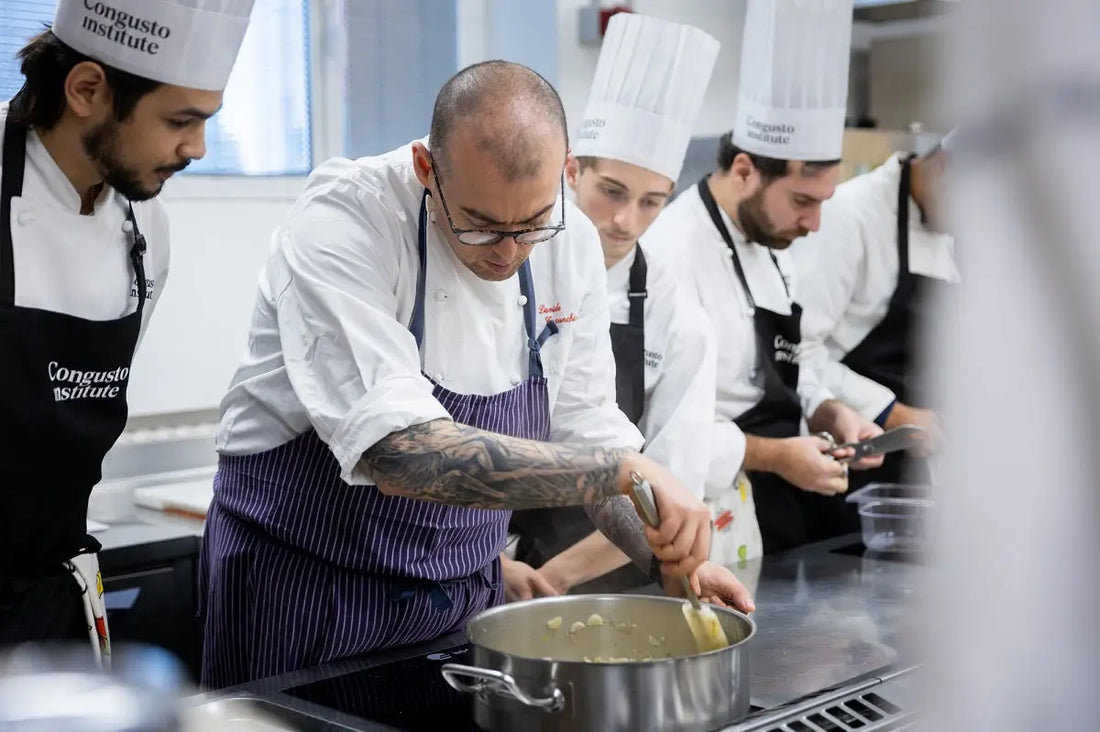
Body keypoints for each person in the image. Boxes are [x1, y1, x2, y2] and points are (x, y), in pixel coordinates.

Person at [201, 60, 750, 689]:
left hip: (462, 603)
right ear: (426, 170)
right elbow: (401, 455)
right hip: (304, 594)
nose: (510, 251)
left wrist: (665, 558)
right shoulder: (347, 220)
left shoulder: (569, 239)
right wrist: (619, 469)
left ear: (565, 173)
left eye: (532, 224)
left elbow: (586, 429)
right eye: (481, 225)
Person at [0, 0, 254, 664]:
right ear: (87, 90)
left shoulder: (145, 231)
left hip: (50, 596)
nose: (196, 148)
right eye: (180, 120)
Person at [645, 0, 883, 559]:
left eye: (822, 202)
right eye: (802, 201)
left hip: (777, 507)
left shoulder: (776, 242)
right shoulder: (670, 254)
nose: (814, 223)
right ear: (745, 170)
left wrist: (829, 411)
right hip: (703, 518)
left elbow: (785, 367)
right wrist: (777, 455)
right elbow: (660, 431)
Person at [504, 13, 722, 598]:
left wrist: (556, 576)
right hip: (485, 559)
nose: (627, 221)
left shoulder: (680, 319)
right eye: (613, 192)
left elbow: (668, 487)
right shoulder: (503, 264)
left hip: (616, 577)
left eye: (653, 203)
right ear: (572, 171)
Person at [792, 136, 958, 485]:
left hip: (919, 465)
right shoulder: (849, 215)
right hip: (847, 461)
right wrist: (894, 414)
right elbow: (797, 353)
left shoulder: (954, 229)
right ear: (944, 166)